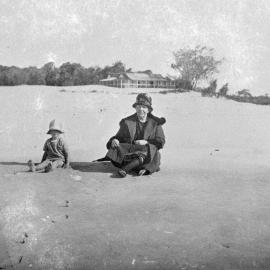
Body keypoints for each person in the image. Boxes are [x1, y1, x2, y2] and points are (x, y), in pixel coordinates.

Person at [106, 93, 166, 177]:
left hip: (148, 155)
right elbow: (118, 137)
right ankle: (135, 165)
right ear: (135, 108)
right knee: (117, 147)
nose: (141, 109)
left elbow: (160, 142)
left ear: (148, 110)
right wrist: (114, 141)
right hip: (130, 153)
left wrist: (146, 142)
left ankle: (126, 169)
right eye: (138, 107)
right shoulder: (127, 122)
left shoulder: (155, 124)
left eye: (144, 107)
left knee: (153, 150)